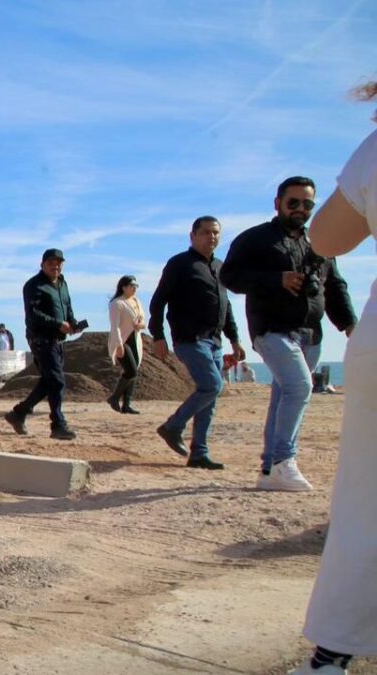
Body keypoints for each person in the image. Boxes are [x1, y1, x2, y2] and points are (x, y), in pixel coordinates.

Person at [291, 81, 377, 675]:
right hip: (286, 329)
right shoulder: (254, 245)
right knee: (294, 387)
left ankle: (334, 651)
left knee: (367, 502)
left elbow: (328, 240)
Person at [221, 176, 357, 491]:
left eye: (307, 204)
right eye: (293, 202)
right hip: (271, 329)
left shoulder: (320, 242)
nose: (300, 209)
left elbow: (335, 286)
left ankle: (269, 471)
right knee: (300, 387)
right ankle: (284, 461)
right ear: (278, 203)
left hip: (311, 334)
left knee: (284, 395)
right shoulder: (255, 239)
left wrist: (351, 326)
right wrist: (276, 279)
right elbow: (230, 276)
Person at [148, 217, 245, 470]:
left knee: (209, 397)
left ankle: (199, 453)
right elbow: (158, 302)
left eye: (215, 233)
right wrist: (158, 336)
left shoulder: (220, 268)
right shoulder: (179, 264)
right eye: (205, 233)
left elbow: (226, 307)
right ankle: (172, 426)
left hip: (214, 341)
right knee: (213, 385)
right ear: (192, 236)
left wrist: (235, 339)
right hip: (189, 339)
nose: (211, 237)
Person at [4, 249, 80, 440]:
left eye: (59, 263)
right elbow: (34, 314)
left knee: (48, 382)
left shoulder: (62, 283)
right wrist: (58, 324)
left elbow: (67, 307)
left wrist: (72, 323)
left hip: (58, 340)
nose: (56, 266)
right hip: (41, 340)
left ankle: (18, 413)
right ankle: (58, 424)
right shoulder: (33, 285)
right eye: (51, 263)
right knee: (56, 381)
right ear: (42, 264)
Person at [106, 275, 145, 415]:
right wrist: (119, 344)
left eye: (136, 286)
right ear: (123, 287)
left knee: (133, 372)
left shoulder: (136, 301)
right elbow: (114, 326)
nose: (134, 288)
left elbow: (143, 320)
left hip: (135, 340)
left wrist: (140, 325)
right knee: (131, 371)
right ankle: (114, 397)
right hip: (122, 340)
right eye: (131, 286)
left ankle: (126, 404)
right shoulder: (117, 303)